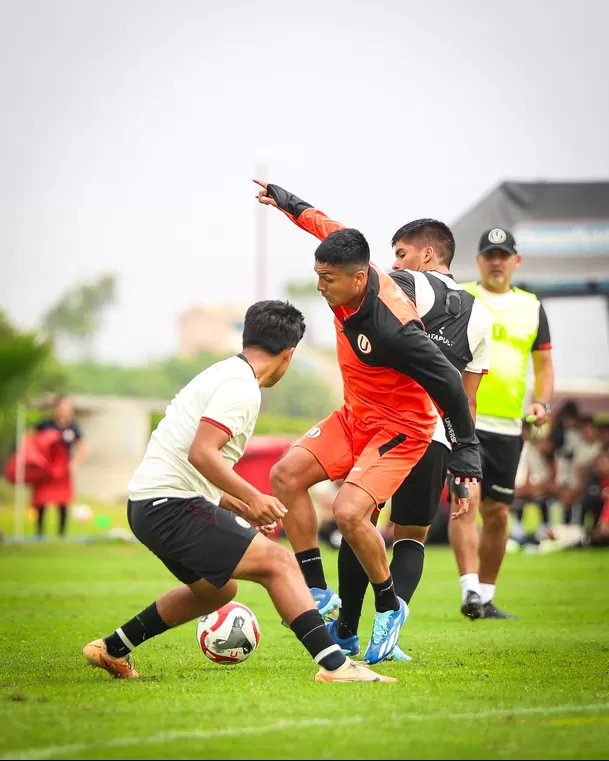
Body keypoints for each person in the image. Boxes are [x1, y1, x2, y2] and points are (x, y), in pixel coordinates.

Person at [82, 300, 393, 683]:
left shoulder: (224, 374)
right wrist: (254, 498)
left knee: (217, 592)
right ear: (288, 355)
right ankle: (335, 666)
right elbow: (202, 453)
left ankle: (112, 648)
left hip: (150, 505)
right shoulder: (241, 388)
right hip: (169, 506)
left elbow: (190, 462)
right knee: (278, 564)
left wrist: (235, 506)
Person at [255, 181, 482, 664]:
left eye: (328, 279)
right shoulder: (349, 260)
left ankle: (387, 607)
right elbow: (320, 221)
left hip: (401, 427)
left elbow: (447, 382)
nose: (320, 286)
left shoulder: (394, 328)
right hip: (355, 415)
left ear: (359, 279)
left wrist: (466, 450)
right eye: (317, 274)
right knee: (284, 476)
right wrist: (285, 199)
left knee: (350, 513)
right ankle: (317, 591)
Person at [450, 228, 554, 619]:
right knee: (467, 503)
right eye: (489, 254)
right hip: (465, 421)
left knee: (497, 513)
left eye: (503, 255)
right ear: (478, 260)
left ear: (516, 261)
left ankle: (487, 596)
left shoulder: (531, 306)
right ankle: (469, 590)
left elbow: (544, 366)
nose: (497, 261)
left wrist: (542, 402)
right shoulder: (460, 297)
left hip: (510, 427)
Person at [32, 395, 88, 538]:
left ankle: (61, 534)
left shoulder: (73, 427)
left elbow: (83, 446)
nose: (64, 410)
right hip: (46, 469)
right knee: (42, 501)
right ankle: (40, 533)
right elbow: (31, 441)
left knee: (62, 501)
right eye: (62, 406)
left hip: (63, 469)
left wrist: (75, 462)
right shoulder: (45, 425)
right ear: (56, 408)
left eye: (67, 407)